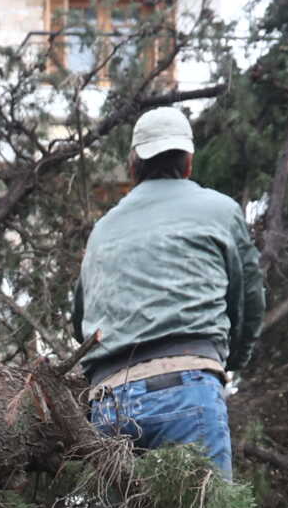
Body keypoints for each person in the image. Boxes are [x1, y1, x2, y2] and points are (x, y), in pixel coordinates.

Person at [73, 104, 263, 480]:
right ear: (188, 162)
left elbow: (80, 320)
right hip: (185, 388)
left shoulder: (103, 230)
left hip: (111, 404)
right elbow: (249, 300)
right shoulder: (220, 210)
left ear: (133, 166)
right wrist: (230, 361)